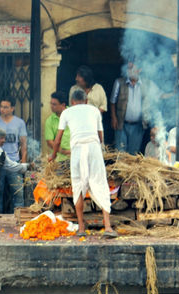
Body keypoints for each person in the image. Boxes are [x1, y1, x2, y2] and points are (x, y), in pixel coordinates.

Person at [48, 89, 117, 237]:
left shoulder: (67, 112)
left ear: (72, 102)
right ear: (86, 101)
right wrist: (101, 151)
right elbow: (100, 136)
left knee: (78, 186)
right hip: (94, 148)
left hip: (77, 151)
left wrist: (53, 156)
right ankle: (108, 227)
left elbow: (58, 140)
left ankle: (80, 228)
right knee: (101, 184)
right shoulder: (94, 110)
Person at [0, 96, 27, 212]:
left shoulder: (19, 123)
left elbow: (23, 143)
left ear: (12, 108)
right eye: (1, 107)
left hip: (14, 162)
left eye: (6, 107)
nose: (3, 109)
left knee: (18, 193)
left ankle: (18, 219)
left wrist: (23, 160)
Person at [110, 62, 145, 154]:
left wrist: (172, 93)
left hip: (138, 126)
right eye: (128, 68)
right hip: (121, 124)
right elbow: (112, 102)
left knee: (133, 154)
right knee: (120, 153)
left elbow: (159, 95)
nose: (129, 71)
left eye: (132, 68)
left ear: (139, 70)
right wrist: (114, 118)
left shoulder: (146, 84)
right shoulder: (119, 82)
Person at [45, 91, 71, 161]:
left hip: (76, 157)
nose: (51, 106)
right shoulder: (49, 121)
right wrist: (64, 152)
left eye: (54, 104)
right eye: (51, 103)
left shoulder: (73, 115)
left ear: (63, 105)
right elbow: (49, 142)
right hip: (59, 160)